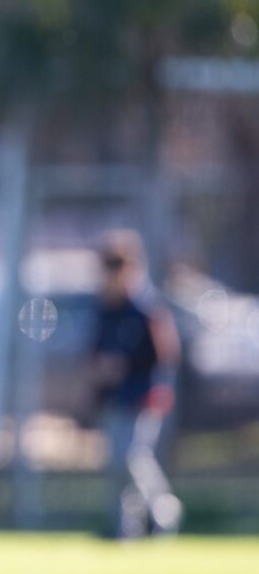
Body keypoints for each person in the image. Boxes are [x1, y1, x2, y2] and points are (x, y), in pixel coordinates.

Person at [90, 229, 181, 539]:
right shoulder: (105, 309)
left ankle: (162, 509)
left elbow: (165, 355)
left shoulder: (146, 308)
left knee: (131, 458)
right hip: (114, 397)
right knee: (117, 465)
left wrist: (130, 367)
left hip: (142, 395)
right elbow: (95, 351)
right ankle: (124, 528)